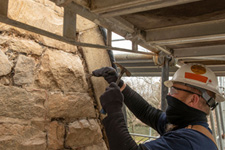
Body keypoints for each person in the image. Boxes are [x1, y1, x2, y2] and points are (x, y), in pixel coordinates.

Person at [92, 63, 225, 150]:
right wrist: (120, 85)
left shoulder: (188, 143)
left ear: (193, 99)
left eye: (174, 91)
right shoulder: (189, 125)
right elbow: (148, 112)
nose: (169, 94)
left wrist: (114, 109)